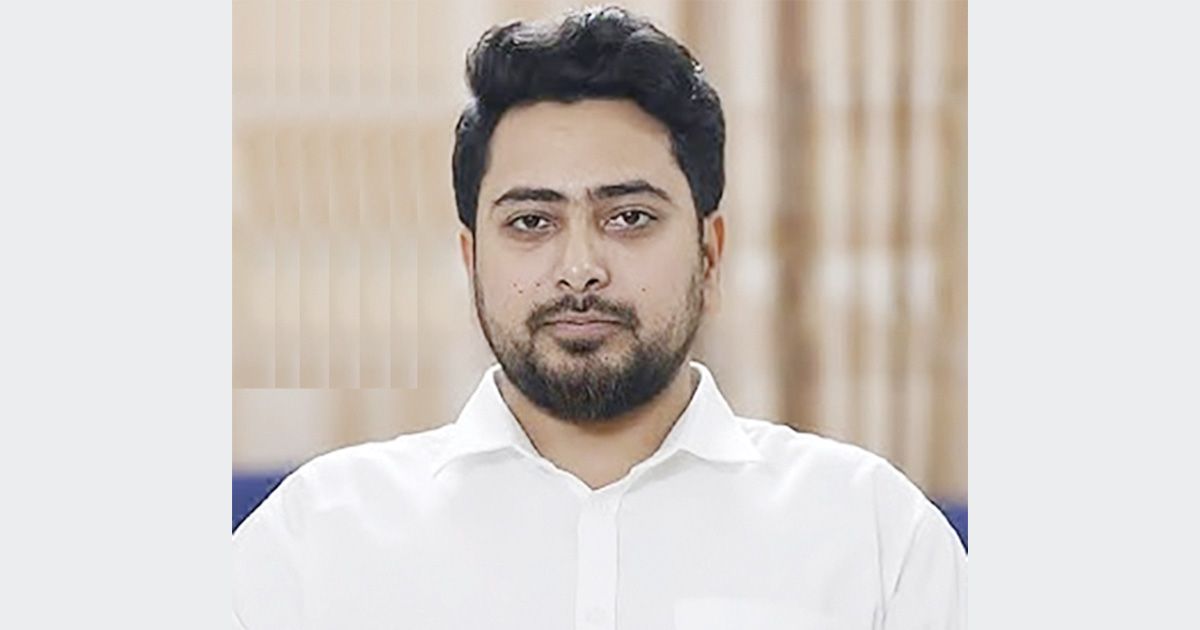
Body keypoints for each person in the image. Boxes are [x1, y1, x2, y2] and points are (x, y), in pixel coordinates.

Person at [232, 6, 966, 629]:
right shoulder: (316, 544)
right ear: (471, 259)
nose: (580, 268)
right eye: (531, 222)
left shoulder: (872, 536)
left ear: (710, 253)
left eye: (629, 217)